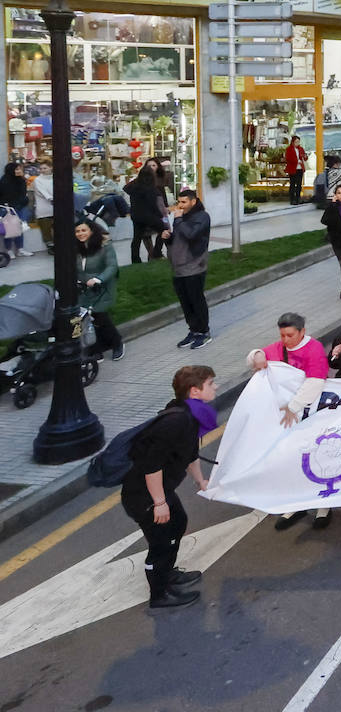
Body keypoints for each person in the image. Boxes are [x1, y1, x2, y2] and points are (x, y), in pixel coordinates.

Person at [120, 365, 216, 609]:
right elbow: (151, 464)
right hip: (143, 495)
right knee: (160, 542)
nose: (215, 388)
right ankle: (159, 595)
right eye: (211, 384)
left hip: (160, 489)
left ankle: (168, 574)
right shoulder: (176, 421)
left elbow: (190, 454)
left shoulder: (190, 416)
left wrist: (200, 480)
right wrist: (159, 503)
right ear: (195, 391)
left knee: (178, 523)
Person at [250, 313, 332, 529]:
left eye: (290, 335)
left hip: (311, 412)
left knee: (317, 456)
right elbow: (258, 355)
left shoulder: (313, 349)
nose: (285, 340)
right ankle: (297, 502)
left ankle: (324, 505)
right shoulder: (279, 348)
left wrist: (292, 407)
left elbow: (315, 382)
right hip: (289, 416)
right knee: (292, 456)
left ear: (302, 332)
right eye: (282, 335)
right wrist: (256, 355)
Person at [165, 188, 211, 349]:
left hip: (194, 265)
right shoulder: (182, 217)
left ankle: (204, 332)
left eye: (184, 202)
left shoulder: (202, 217)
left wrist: (178, 221)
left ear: (193, 201)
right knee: (185, 301)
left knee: (196, 299)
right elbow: (180, 239)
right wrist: (168, 238)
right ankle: (193, 330)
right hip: (178, 266)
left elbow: (191, 235)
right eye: (179, 202)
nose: (180, 205)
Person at [74, 217, 125, 361]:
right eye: (77, 231)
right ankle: (96, 348)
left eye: (83, 230)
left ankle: (117, 343)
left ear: (91, 230)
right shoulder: (75, 248)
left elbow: (112, 266)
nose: (80, 233)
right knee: (86, 318)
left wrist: (98, 279)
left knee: (100, 315)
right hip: (84, 288)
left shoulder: (104, 246)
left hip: (102, 287)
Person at [0, 162, 32, 257]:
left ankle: (20, 249)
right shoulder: (4, 180)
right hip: (8, 208)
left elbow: (23, 194)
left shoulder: (21, 180)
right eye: (17, 169)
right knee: (9, 230)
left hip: (20, 207)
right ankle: (9, 250)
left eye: (19, 169)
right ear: (11, 170)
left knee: (20, 229)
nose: (19, 171)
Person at [32, 161, 55, 254]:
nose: (42, 170)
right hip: (44, 209)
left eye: (45, 168)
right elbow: (43, 193)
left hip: (57, 208)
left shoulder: (55, 178)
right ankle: (50, 247)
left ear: (51, 168)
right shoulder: (38, 180)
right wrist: (53, 198)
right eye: (41, 168)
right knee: (46, 229)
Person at [285, 135, 307, 205]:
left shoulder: (301, 149)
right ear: (293, 142)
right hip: (293, 169)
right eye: (296, 142)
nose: (297, 143)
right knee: (293, 184)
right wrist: (297, 161)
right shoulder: (289, 149)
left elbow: (304, 157)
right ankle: (292, 199)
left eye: (298, 142)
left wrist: (305, 157)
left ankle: (298, 198)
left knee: (299, 184)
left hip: (300, 168)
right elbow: (288, 158)